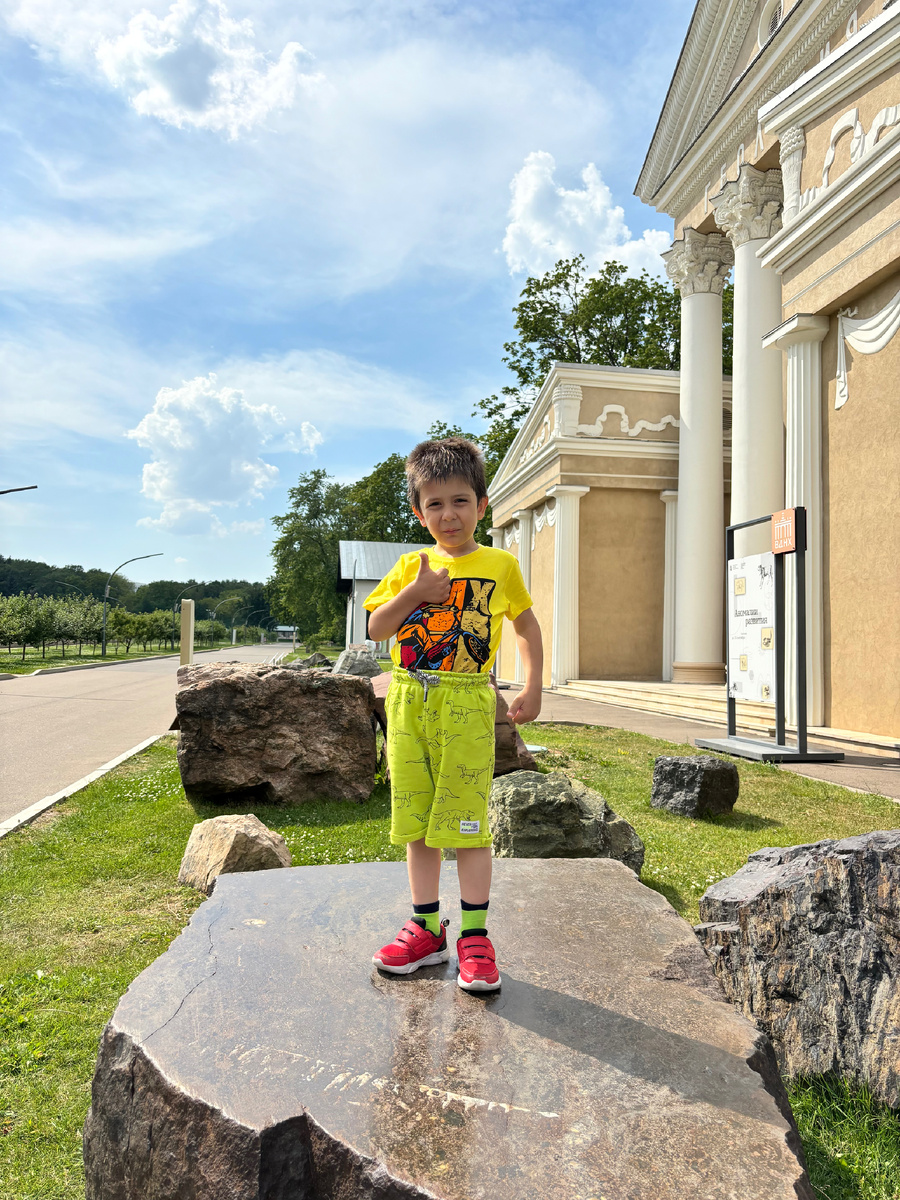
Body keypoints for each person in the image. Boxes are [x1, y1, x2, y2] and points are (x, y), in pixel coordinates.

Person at [364, 437, 543, 991]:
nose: (449, 515)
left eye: (461, 501)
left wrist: (534, 684)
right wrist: (417, 592)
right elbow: (377, 628)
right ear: (419, 513)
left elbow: (525, 624)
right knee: (417, 824)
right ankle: (425, 930)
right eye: (435, 504)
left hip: (466, 703)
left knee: (467, 824)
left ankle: (474, 937)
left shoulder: (500, 564)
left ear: (481, 505)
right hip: (409, 703)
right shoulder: (409, 566)